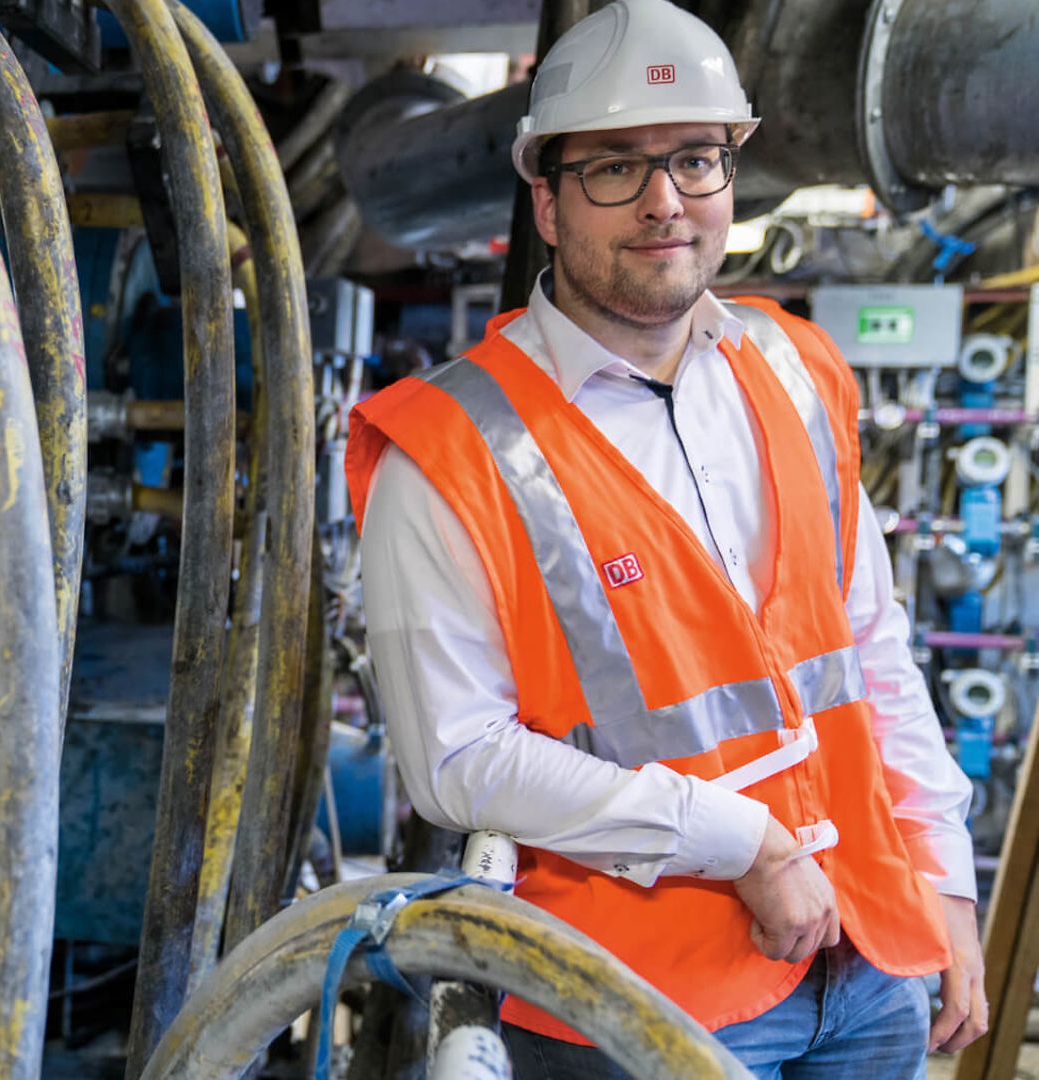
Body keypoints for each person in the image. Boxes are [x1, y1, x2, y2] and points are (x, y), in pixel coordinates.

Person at [343, 1, 989, 1076]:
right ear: (547, 203)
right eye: (614, 169)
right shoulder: (449, 448)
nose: (664, 202)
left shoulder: (797, 367)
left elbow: (869, 650)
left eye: (694, 159)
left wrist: (947, 880)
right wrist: (741, 844)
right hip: (633, 1000)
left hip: (871, 958)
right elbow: (458, 759)